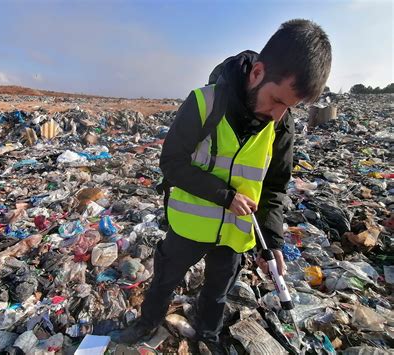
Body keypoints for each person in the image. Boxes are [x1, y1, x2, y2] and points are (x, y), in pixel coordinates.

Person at [115, 19, 332, 352]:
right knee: (164, 280)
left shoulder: (281, 122)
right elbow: (172, 163)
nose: (277, 115)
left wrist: (271, 241)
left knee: (218, 292)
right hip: (189, 224)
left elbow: (274, 187)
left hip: (234, 232)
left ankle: (208, 335)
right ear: (257, 72)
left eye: (289, 106)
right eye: (276, 100)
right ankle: (147, 323)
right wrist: (225, 197)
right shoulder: (204, 103)